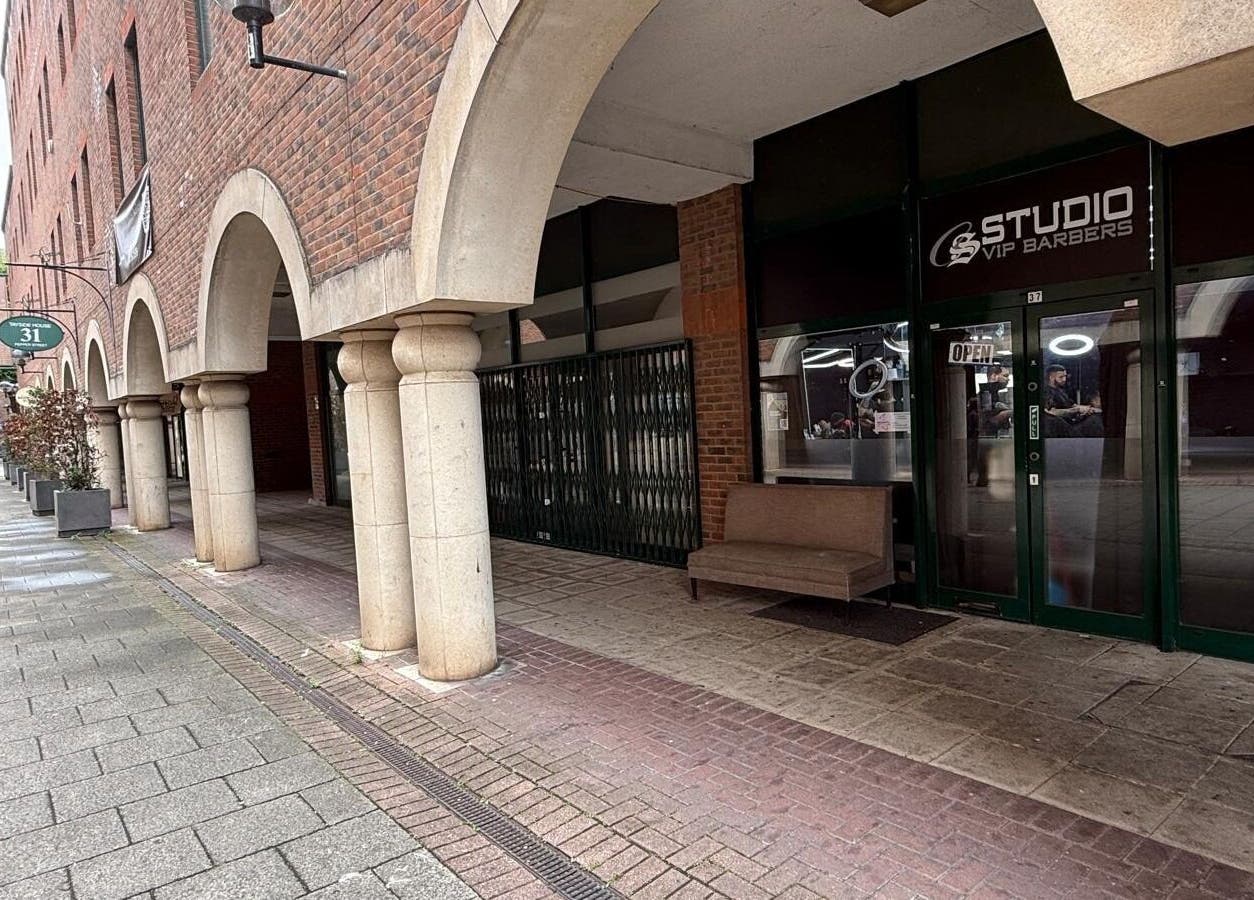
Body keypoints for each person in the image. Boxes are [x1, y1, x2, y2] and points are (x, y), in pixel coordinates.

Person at [1043, 364, 1102, 437]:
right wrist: (1076, 410)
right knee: (1094, 421)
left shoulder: (1060, 391)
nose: (1064, 379)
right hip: (1062, 429)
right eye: (1061, 377)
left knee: (1097, 416)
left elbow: (1072, 405)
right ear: (1051, 378)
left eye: (1065, 376)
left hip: (1071, 424)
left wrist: (1090, 409)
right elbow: (1050, 413)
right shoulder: (1047, 392)